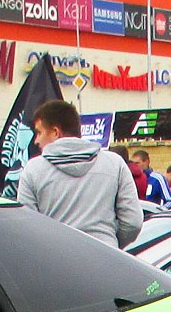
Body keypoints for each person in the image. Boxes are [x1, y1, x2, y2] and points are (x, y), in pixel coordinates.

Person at [16, 99, 141, 249]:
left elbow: (27, 227)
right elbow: (133, 223)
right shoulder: (115, 164)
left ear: (55, 132)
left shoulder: (32, 170)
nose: (36, 140)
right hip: (106, 261)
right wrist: (109, 241)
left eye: (38, 132)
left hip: (54, 263)